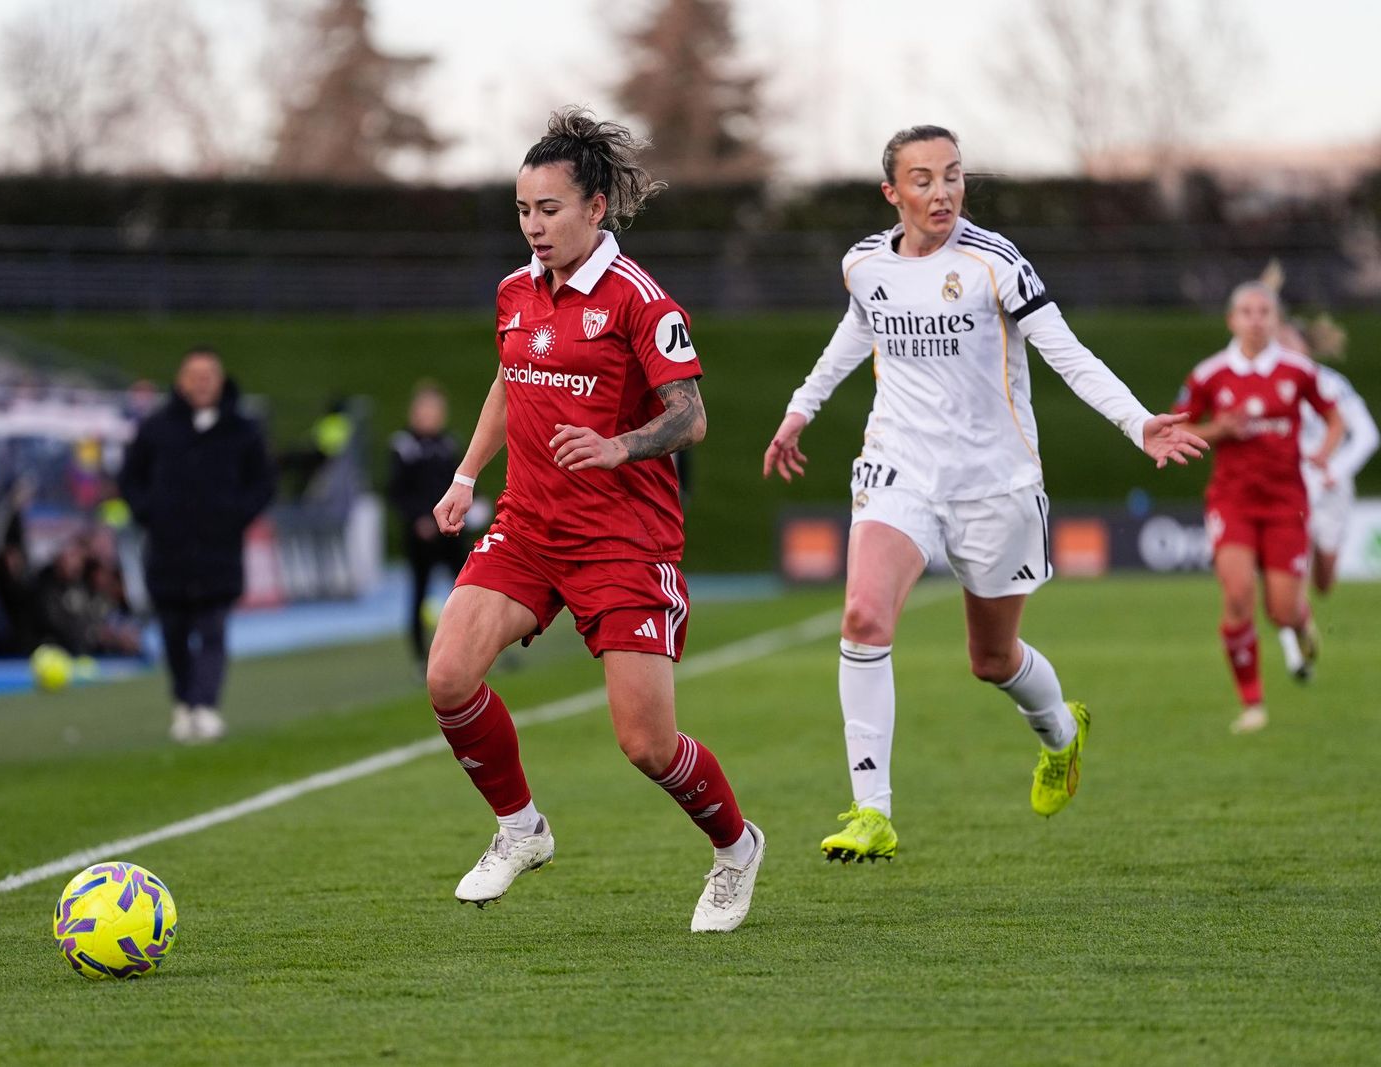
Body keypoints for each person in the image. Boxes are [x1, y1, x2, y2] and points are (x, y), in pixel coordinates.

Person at [763, 125, 1206, 864]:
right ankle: (872, 809)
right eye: (925, 179)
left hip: (994, 482)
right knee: (864, 615)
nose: (942, 192)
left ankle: (1062, 734)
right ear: (892, 192)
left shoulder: (993, 262)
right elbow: (858, 328)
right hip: (897, 465)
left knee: (992, 659)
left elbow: (1065, 349)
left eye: (954, 176)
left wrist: (1138, 422)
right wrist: (800, 408)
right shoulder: (865, 264)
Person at [427, 106, 765, 933]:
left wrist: (619, 447)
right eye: (522, 210)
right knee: (447, 676)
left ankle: (736, 846)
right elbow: (511, 380)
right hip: (529, 527)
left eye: (549, 210)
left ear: (595, 208)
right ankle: (520, 828)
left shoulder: (640, 302)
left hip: (624, 541)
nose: (534, 227)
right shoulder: (515, 292)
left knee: (648, 745)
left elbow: (691, 416)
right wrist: (468, 473)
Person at [1172, 286, 1344, 733]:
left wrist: (1324, 453)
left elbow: (1335, 417)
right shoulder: (1210, 374)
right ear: (1232, 320)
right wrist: (1219, 428)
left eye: (1264, 312)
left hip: (1287, 502)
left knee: (1282, 611)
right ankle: (1252, 703)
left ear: (1275, 320)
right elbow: (1180, 428)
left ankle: (1301, 625)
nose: (1255, 319)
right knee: (1236, 597)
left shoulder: (1298, 370)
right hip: (1232, 502)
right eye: (1247, 312)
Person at [118, 348, 275, 743]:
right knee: (172, 631)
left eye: (210, 374)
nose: (202, 382)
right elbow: (129, 477)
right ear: (181, 380)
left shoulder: (242, 429)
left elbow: (263, 482)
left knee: (213, 628)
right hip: (168, 550)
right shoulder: (156, 427)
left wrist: (235, 513)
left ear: (221, 380)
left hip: (219, 549)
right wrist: (148, 512)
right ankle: (183, 701)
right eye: (194, 374)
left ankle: (205, 705)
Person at [1281, 318, 1377, 601]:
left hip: (1331, 487)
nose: (1282, 350)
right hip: (1290, 485)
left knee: (1324, 581)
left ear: (1306, 348)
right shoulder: (1268, 385)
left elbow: (1367, 435)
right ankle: (1296, 617)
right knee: (1290, 557)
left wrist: (1337, 470)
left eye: (1288, 343)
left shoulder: (1332, 383)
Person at [386, 381, 470, 670]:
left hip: (451, 529)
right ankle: (421, 657)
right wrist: (418, 519)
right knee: (420, 593)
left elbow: (459, 483)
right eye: (428, 409)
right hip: (421, 534)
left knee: (467, 588)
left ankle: (473, 647)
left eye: (438, 409)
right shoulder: (404, 446)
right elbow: (397, 492)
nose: (434, 415)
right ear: (415, 412)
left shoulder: (447, 444)